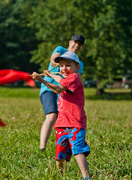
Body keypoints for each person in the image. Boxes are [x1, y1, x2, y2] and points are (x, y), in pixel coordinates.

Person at [32, 52, 90, 180]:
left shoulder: (75, 77)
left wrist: (42, 80)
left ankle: (87, 177)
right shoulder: (67, 78)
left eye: (68, 65)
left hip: (75, 123)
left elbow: (58, 89)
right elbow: (61, 80)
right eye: (61, 66)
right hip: (62, 123)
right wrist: (50, 74)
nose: (64, 68)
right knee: (59, 156)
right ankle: (61, 176)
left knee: (78, 151)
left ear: (76, 67)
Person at [39, 34, 85, 151]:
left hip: (63, 93)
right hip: (48, 89)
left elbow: (75, 80)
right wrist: (64, 64)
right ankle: (42, 147)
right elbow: (54, 61)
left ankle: (64, 145)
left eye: (79, 45)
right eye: (75, 42)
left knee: (65, 120)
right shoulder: (60, 50)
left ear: (81, 48)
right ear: (70, 42)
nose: (76, 45)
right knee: (52, 115)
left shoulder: (79, 64)